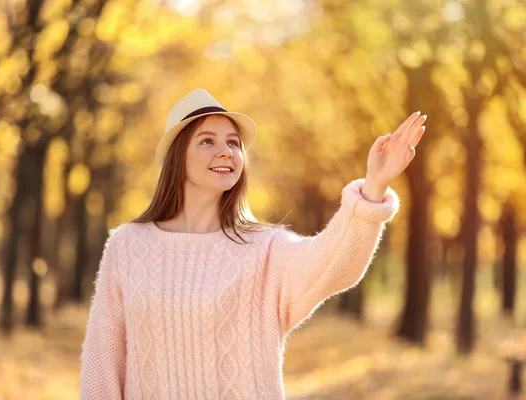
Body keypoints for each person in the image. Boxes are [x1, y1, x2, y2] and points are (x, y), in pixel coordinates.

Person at [79, 88, 427, 399]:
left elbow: (335, 265)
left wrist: (373, 188)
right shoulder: (128, 246)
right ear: (177, 158)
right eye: (207, 141)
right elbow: (103, 361)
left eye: (233, 142)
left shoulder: (266, 248)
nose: (226, 151)